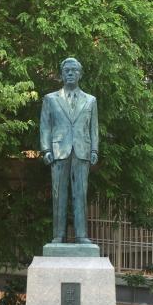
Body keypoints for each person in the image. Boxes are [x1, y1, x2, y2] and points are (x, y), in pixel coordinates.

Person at [40, 57, 98, 243]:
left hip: (82, 151)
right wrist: (46, 149)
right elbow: (45, 126)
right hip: (58, 151)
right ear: (62, 74)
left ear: (80, 74)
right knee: (58, 194)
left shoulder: (90, 100)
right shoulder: (50, 99)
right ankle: (58, 235)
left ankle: (81, 235)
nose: (70, 73)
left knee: (80, 194)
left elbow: (94, 128)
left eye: (74, 70)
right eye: (67, 71)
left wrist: (94, 150)